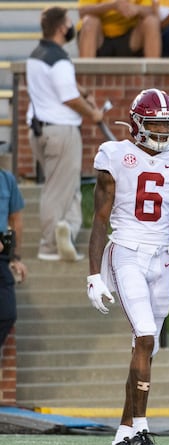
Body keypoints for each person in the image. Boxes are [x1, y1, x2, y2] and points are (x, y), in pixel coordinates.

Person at [86, 88, 169, 445]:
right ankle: (142, 430)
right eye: (155, 125)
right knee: (145, 335)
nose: (163, 133)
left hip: (162, 257)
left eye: (168, 125)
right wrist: (93, 274)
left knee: (146, 347)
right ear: (137, 126)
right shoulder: (116, 156)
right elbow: (100, 221)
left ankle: (121, 436)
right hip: (126, 253)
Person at [26, 6, 105, 262]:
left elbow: (63, 85)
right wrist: (92, 114)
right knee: (57, 190)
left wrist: (81, 90)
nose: (72, 25)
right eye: (69, 21)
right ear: (62, 27)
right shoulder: (59, 60)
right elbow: (67, 96)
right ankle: (49, 245)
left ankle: (67, 234)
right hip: (61, 132)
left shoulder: (37, 56)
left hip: (40, 130)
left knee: (69, 188)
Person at [0, 169, 28, 350]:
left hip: (2, 255)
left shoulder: (6, 179)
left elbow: (16, 219)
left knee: (8, 313)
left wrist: (15, 257)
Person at [77, 0, 162, 58]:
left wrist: (137, 9)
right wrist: (112, 6)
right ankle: (85, 78)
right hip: (100, 39)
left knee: (152, 21)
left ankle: (153, 80)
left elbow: (153, 12)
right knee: (90, 22)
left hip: (129, 38)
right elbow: (82, 11)